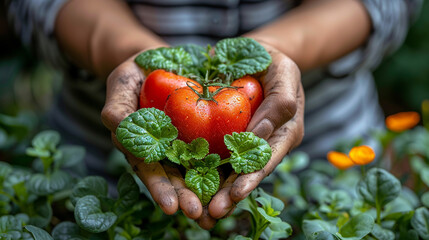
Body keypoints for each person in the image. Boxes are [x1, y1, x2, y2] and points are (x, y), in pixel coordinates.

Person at [6, 0, 421, 230]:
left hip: (327, 155)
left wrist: (284, 47)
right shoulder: (229, 94)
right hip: (101, 168)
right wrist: (122, 53)